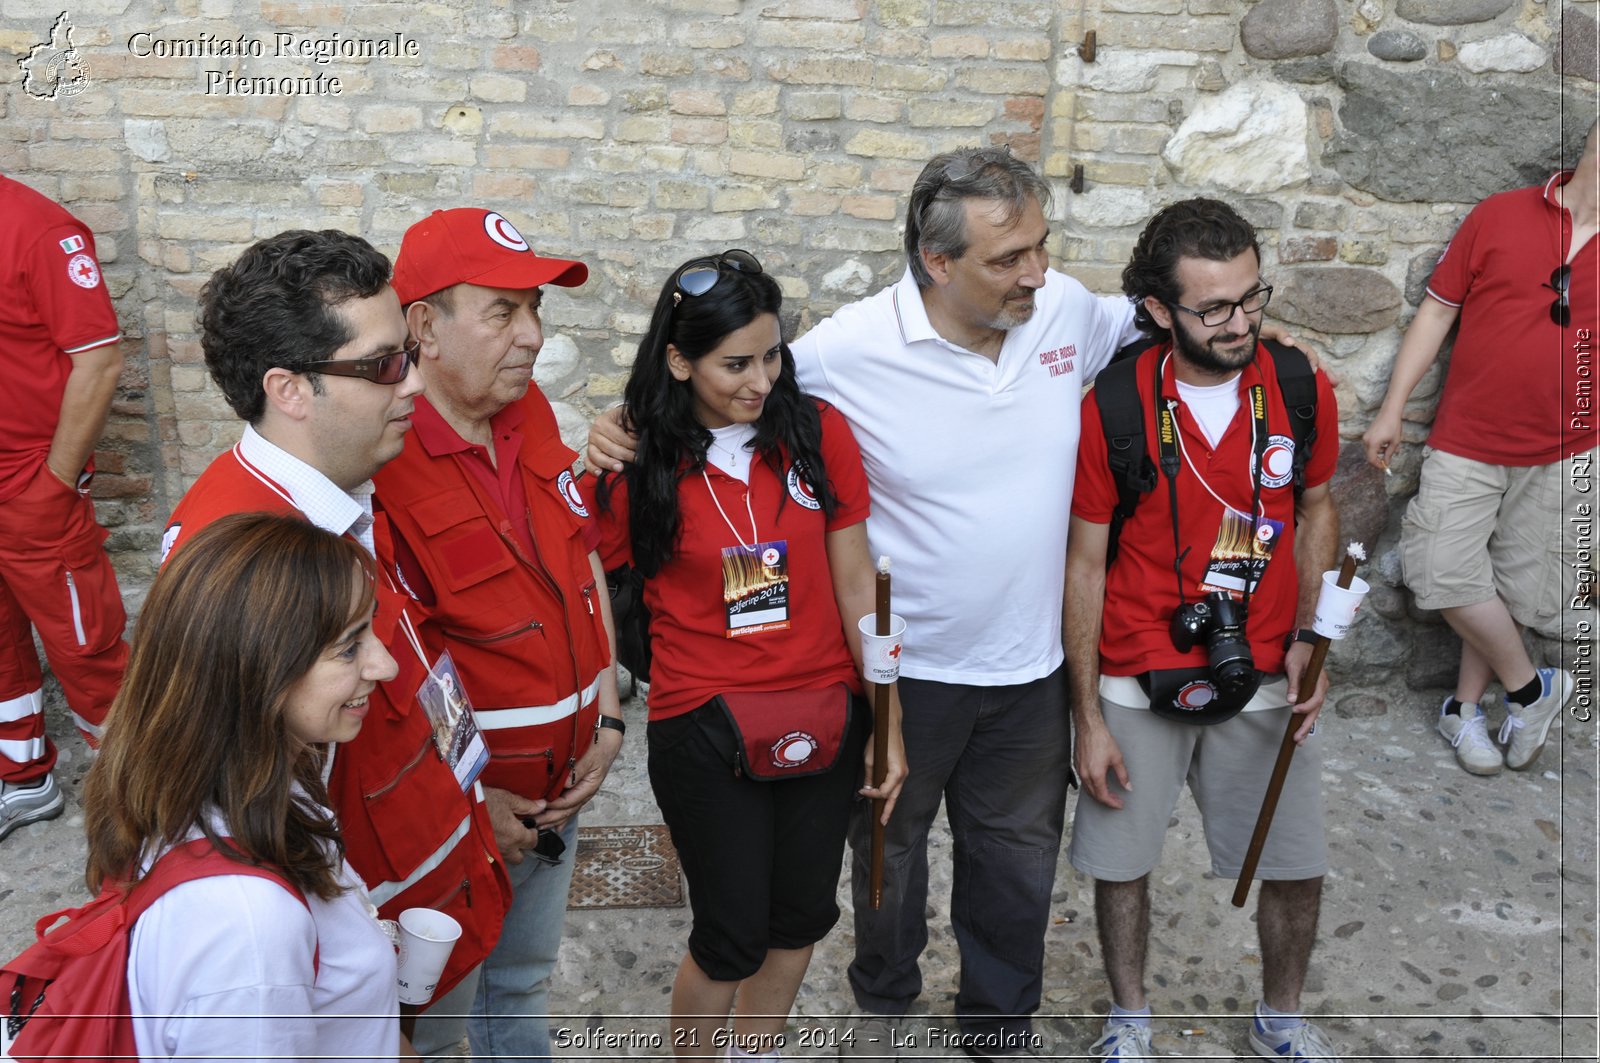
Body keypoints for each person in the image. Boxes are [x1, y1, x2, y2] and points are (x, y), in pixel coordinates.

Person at [590, 148, 1315, 1060]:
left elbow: (1193, 328)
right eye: (1008, 258)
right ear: (937, 262)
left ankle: (998, 1025)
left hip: (1030, 663)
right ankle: (884, 1009)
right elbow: (724, 387)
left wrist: (1273, 347)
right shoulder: (844, 350)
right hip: (908, 665)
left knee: (1015, 859)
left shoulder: (1068, 315)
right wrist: (618, 428)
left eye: (1040, 248)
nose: (1037, 273)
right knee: (887, 852)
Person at [161, 229, 508, 1004]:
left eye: (408, 354)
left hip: (440, 883)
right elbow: (247, 818)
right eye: (386, 364)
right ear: (289, 389)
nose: (414, 384)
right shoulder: (243, 557)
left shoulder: (348, 485)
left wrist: (475, 792)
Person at [590, 250, 906, 1060]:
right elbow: (584, 579)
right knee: (729, 934)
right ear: (679, 359)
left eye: (772, 354)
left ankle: (755, 1052)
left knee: (801, 916)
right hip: (703, 723)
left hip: (825, 710)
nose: (760, 379)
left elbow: (855, 582)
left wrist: (887, 720)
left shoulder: (816, 434)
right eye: (735, 363)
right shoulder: (637, 460)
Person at [1064, 198, 1341, 1062]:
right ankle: (1131, 1018)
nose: (1240, 322)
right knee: (1122, 861)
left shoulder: (1297, 383)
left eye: (1252, 298)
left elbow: (1317, 508)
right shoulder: (1113, 404)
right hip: (1136, 667)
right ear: (1157, 311)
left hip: (1264, 666)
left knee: (1296, 859)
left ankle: (1281, 1018)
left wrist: (1309, 635)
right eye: (1213, 307)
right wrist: (1088, 717)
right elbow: (1083, 564)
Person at [380, 207, 625, 1062]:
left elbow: (582, 557)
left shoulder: (532, 419)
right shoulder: (383, 457)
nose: (532, 336)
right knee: (435, 1023)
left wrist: (609, 707)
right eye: (504, 311)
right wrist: (467, 803)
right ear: (424, 326)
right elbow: (396, 670)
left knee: (520, 983)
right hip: (460, 824)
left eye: (536, 310)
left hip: (558, 794)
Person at [82, 513, 404, 1060]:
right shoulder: (248, 926)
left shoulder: (254, 778)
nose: (386, 665)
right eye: (349, 647)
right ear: (259, 670)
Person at [1362, 123, 1595, 775]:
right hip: (1468, 439)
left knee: (1514, 594)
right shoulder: (1500, 215)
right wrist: (1391, 408)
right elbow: (1436, 313)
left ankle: (1466, 711)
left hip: (1566, 451)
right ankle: (1532, 689)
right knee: (1438, 567)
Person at [0, 175, 129, 841]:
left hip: (29, 486)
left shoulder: (40, 230)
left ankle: (143, 790)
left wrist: (53, 483)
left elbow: (99, 362)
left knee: (86, 644)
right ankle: (23, 776)